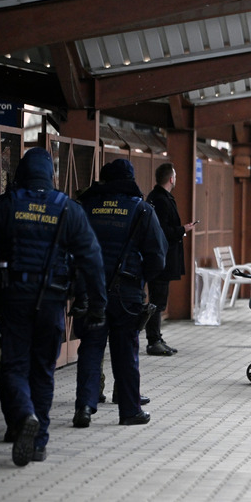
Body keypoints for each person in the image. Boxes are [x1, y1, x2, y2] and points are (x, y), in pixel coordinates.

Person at [0, 147, 108, 466]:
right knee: (43, 369)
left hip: (11, 300)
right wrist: (96, 305)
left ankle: (24, 416)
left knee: (13, 366)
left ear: (21, 175)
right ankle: (39, 441)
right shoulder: (68, 209)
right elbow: (92, 259)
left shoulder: (2, 206)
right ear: (52, 176)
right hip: (53, 301)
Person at [72, 159, 167, 429]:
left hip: (91, 291)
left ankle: (84, 408)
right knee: (125, 352)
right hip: (127, 292)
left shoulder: (85, 207)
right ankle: (129, 411)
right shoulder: (142, 210)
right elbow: (157, 257)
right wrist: (139, 280)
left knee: (90, 348)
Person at [144, 162, 196, 356]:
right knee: (157, 300)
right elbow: (163, 231)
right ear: (171, 179)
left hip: (157, 257)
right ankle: (153, 340)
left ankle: (156, 337)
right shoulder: (162, 200)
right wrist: (183, 230)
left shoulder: (155, 197)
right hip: (160, 258)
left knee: (158, 299)